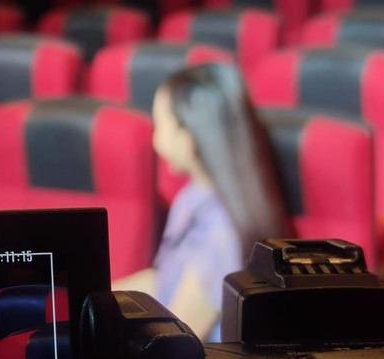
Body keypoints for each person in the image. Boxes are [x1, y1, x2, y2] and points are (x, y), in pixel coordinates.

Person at [114, 64, 291, 342]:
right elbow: (163, 280)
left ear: (190, 137)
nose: (156, 141)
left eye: (161, 127)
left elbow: (175, 339)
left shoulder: (221, 232)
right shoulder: (193, 195)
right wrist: (91, 297)